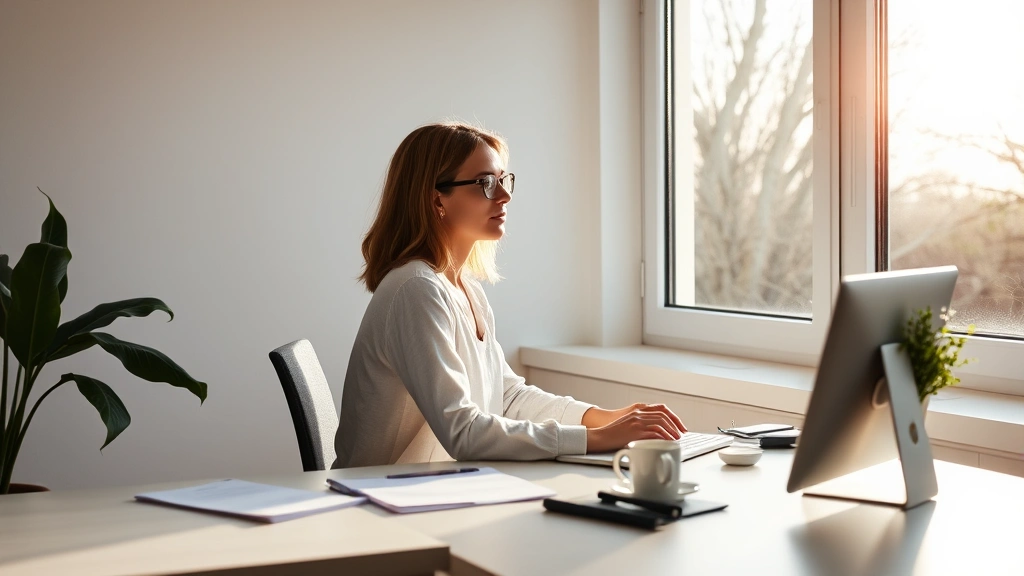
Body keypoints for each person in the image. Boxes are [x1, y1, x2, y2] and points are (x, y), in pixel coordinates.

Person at [332, 121, 687, 468]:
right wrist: (594, 440)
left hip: (433, 494)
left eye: (503, 180)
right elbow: (463, 432)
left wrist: (604, 418)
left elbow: (507, 396)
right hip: (377, 505)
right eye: (486, 183)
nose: (505, 196)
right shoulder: (415, 289)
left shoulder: (465, 289)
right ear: (436, 199)